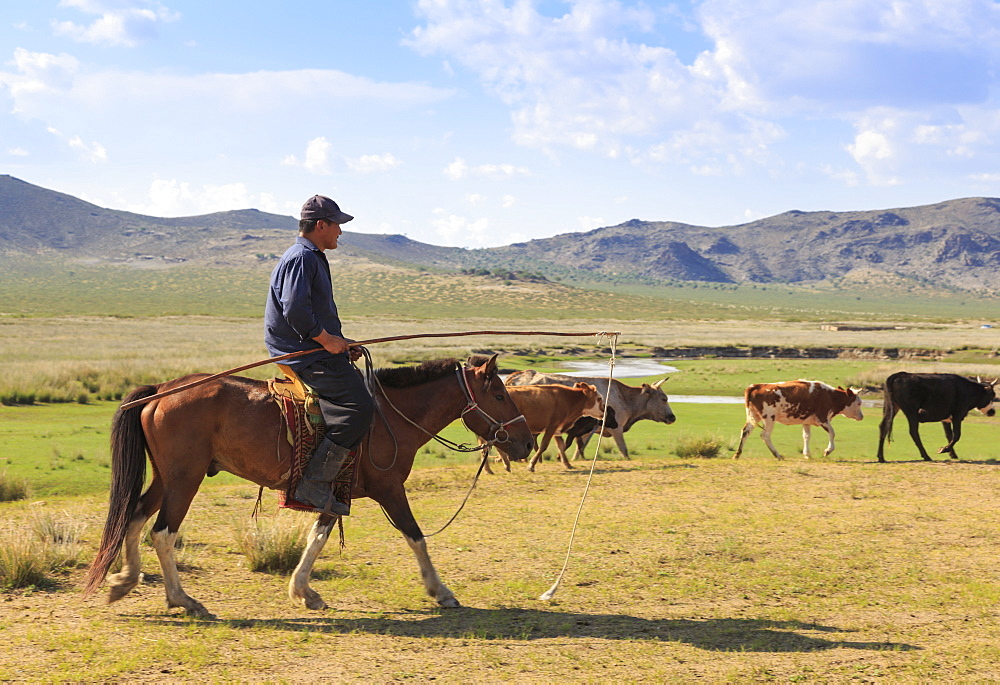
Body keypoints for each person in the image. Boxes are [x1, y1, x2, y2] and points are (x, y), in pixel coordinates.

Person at [264, 195, 375, 515]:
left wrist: (340, 342)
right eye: (337, 224)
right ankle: (312, 485)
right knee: (360, 406)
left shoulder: (309, 255)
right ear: (321, 225)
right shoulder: (303, 257)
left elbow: (309, 311)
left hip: (311, 347)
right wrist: (327, 341)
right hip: (302, 352)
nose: (340, 231)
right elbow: (295, 310)